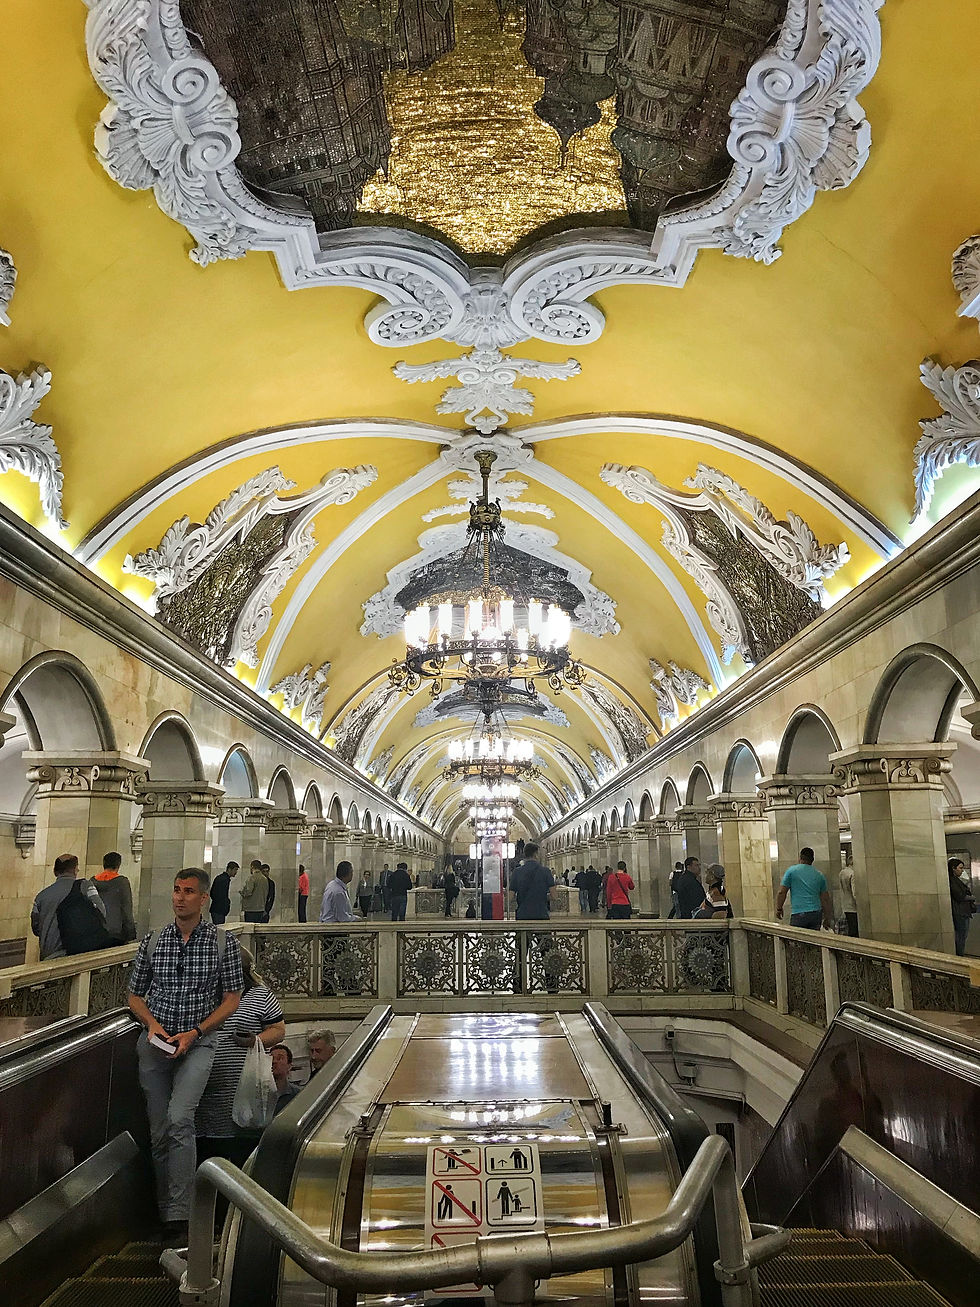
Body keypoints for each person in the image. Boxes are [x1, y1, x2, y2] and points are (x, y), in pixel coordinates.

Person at [128, 868, 244, 1246]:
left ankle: (182, 1214)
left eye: (189, 892)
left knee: (181, 1118)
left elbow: (231, 999)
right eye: (176, 890)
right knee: (160, 1128)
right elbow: (134, 994)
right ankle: (165, 1212)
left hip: (198, 1043)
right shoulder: (153, 940)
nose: (180, 898)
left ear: (203, 898)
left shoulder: (221, 943)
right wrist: (151, 1025)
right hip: (157, 1043)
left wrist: (196, 1032)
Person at [196, 946, 285, 1166]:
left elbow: (278, 1030)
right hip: (205, 1100)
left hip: (242, 1095)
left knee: (240, 1162)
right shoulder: (203, 995)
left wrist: (256, 1040)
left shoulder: (260, 995)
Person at [31, 853, 108, 960]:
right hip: (77, 953)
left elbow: (36, 928)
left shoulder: (41, 897)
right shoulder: (85, 887)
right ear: (76, 870)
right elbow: (101, 912)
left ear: (55, 871)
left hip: (49, 955)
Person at [775, 847, 833, 930]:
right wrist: (827, 917)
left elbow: (781, 892)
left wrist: (779, 909)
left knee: (797, 940)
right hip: (816, 914)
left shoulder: (791, 871)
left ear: (800, 858)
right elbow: (825, 899)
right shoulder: (819, 875)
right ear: (812, 859)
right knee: (813, 940)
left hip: (799, 913)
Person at [93, 851, 137, 943]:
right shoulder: (121, 882)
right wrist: (130, 933)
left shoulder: (92, 881)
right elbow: (126, 908)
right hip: (115, 932)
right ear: (118, 865)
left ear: (104, 864)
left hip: (96, 929)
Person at [510, 844, 555, 921]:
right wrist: (541, 896)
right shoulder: (546, 871)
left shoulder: (517, 872)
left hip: (523, 914)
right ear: (535, 854)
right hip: (541, 914)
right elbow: (554, 896)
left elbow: (510, 896)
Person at [949, 857, 975, 956]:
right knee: (961, 935)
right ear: (953, 868)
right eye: (960, 868)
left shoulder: (957, 880)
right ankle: (960, 956)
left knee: (962, 935)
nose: (962, 870)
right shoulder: (952, 881)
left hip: (963, 911)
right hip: (960, 912)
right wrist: (971, 897)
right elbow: (959, 896)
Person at [239, 859, 270, 923]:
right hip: (261, 908)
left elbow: (248, 892)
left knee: (249, 928)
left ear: (252, 867)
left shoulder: (252, 878)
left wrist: (242, 893)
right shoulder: (265, 879)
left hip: (251, 908)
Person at [271, 1044, 299, 1113]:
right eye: (271, 1058)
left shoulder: (298, 1095)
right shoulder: (259, 1095)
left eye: (279, 1058)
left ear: (289, 1066)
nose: (274, 1061)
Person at [210, 861, 238, 926]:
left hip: (217, 909)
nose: (236, 872)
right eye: (235, 870)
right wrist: (226, 904)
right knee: (220, 929)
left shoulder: (221, 878)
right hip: (219, 910)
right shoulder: (224, 880)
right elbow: (220, 895)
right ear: (229, 869)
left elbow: (212, 893)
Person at [839, 855, 859, 937]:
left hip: (845, 905)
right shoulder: (853, 873)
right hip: (853, 907)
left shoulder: (842, 873)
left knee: (849, 928)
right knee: (854, 930)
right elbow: (854, 892)